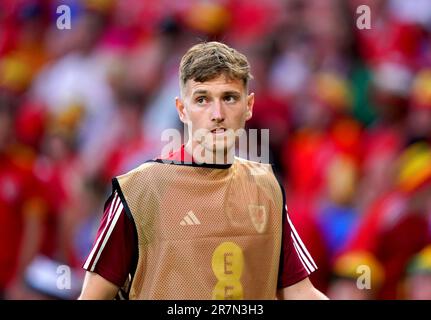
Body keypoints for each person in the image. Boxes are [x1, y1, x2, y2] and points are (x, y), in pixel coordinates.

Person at [78, 41, 328, 300]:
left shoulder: (266, 187)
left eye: (229, 98)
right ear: (182, 110)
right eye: (202, 99)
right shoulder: (140, 190)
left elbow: (299, 291)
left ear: (249, 105)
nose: (217, 113)